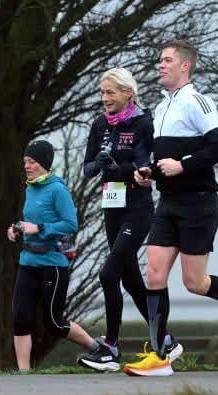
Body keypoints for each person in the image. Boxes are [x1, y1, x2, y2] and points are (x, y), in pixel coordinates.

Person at [123, 39, 218, 377]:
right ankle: (160, 354)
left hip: (198, 203)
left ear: (185, 66)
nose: (160, 65)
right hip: (169, 203)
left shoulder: (196, 101)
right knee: (155, 274)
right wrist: (150, 169)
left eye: (166, 60)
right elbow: (167, 156)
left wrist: (184, 165)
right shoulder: (162, 108)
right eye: (159, 60)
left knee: (194, 282)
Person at [77, 68, 182, 372]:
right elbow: (87, 170)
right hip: (112, 203)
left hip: (137, 204)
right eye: (102, 93)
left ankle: (110, 347)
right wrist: (99, 162)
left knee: (108, 274)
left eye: (110, 92)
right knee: (129, 278)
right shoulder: (99, 125)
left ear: (128, 93)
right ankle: (165, 339)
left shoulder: (143, 123)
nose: (105, 98)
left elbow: (142, 165)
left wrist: (120, 166)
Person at [7, 140, 99, 371]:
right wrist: (17, 227)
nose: (27, 166)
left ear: (45, 164)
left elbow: (70, 224)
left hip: (52, 263)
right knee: (20, 318)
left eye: (32, 162)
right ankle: (23, 373)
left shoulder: (58, 189)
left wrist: (39, 228)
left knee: (53, 322)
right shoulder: (30, 188)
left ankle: (97, 348)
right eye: (25, 162)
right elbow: (32, 220)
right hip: (28, 261)